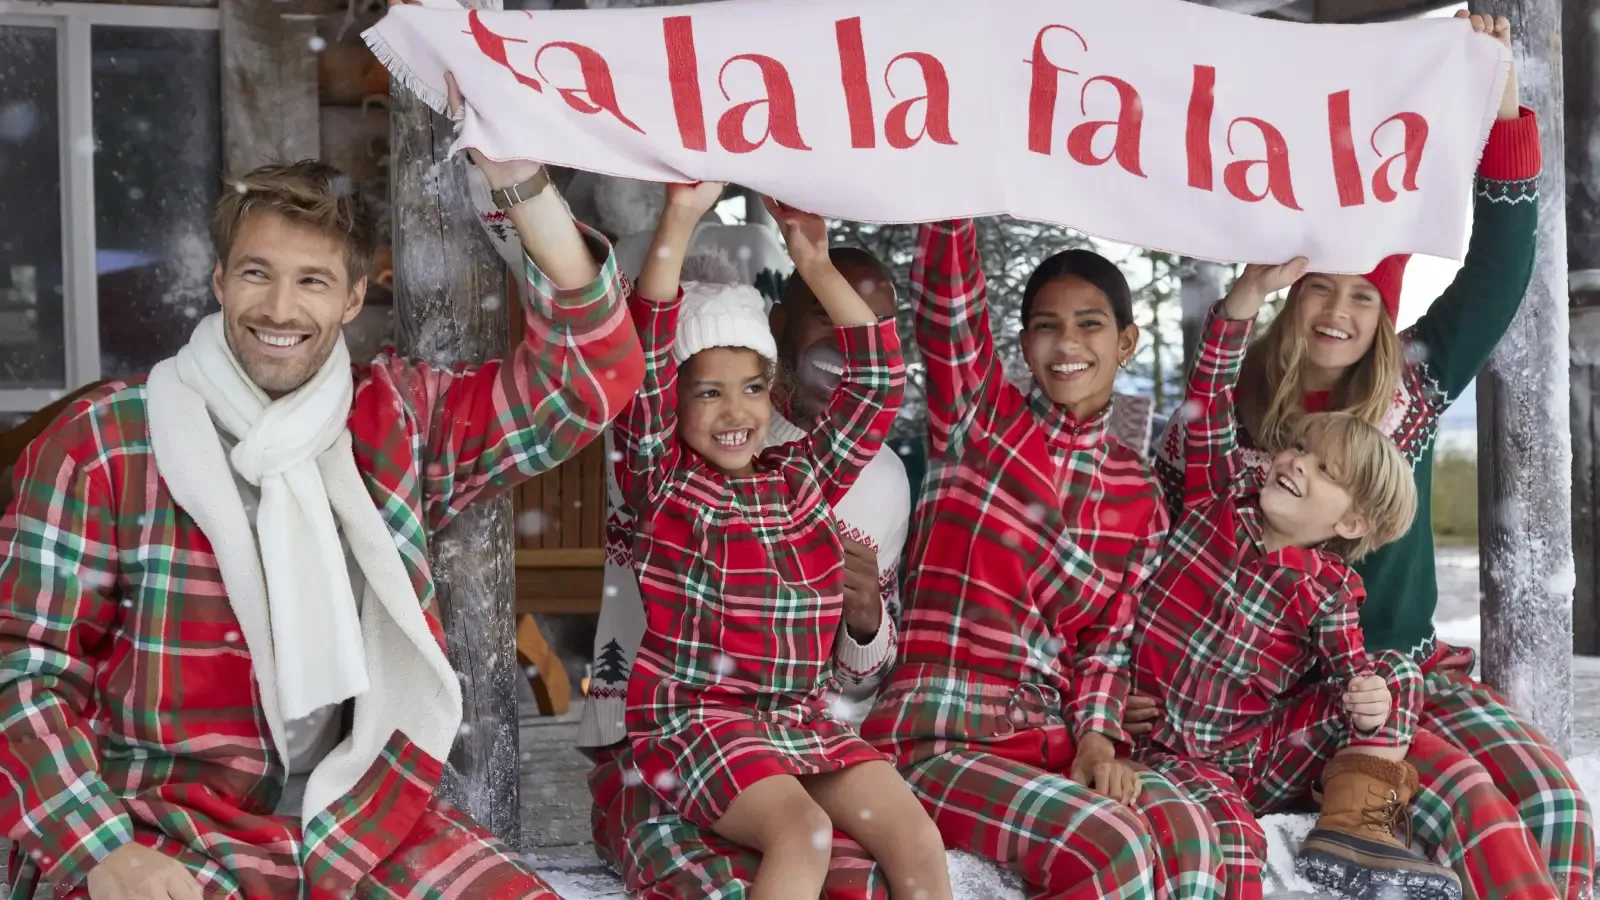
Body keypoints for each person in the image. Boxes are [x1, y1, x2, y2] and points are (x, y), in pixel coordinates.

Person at [0, 135, 643, 900]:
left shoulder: (393, 420)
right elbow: (22, 674)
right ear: (218, 280)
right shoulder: (106, 442)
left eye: (312, 281)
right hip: (158, 823)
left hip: (356, 819)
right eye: (256, 274)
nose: (279, 308)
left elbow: (591, 376)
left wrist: (518, 180)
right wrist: (98, 849)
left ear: (351, 297)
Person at [1142, 12, 1592, 899]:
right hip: (1279, 703)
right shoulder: (1232, 406)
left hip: (1397, 663)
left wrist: (1499, 96)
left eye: (1361, 295)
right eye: (1320, 290)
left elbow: (1500, 269)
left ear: (1384, 309)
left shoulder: (1412, 393)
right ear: (1291, 293)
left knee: (1552, 806)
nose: (1339, 312)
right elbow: (1161, 539)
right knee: (1468, 804)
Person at [857, 219, 1225, 899]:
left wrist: (1096, 741)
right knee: (1109, 847)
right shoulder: (980, 419)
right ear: (1024, 344)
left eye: (1090, 325)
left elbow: (1107, 646)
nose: (1068, 345)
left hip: (1050, 736)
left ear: (1126, 342)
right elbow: (948, 299)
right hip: (939, 734)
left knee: (1191, 839)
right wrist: (958, 184)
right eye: (1047, 327)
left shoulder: (1137, 492)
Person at [612, 185, 947, 899]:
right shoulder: (666, 486)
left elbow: (881, 379)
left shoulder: (802, 478)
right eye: (707, 393)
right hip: (700, 720)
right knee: (805, 834)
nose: (735, 411)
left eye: (753, 388)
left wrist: (815, 262)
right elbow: (640, 358)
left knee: (916, 835)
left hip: (799, 721)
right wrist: (678, 216)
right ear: (672, 402)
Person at [1132, 259, 1460, 900]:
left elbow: (1347, 676)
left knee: (1390, 678)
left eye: (1324, 470)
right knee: (1222, 842)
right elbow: (1208, 399)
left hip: (1253, 752)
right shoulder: (1215, 501)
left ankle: (1359, 831)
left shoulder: (1331, 591)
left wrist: (1369, 703)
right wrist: (1244, 302)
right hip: (1168, 744)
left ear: (1353, 520)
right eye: (1299, 449)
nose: (1296, 465)